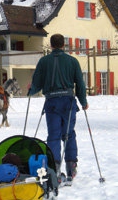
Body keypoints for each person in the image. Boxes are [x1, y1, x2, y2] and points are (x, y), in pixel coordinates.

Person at [28, 33, 89, 182]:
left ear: (51, 45)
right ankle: (71, 166)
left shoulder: (43, 61)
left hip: (52, 103)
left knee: (53, 136)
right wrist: (83, 101)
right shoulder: (72, 61)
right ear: (63, 45)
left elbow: (37, 82)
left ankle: (54, 170)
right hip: (68, 102)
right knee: (69, 134)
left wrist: (31, 91)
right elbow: (80, 84)